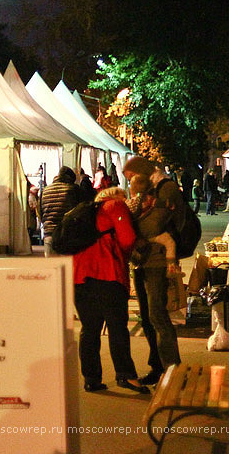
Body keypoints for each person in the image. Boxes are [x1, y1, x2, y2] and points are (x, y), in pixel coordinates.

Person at [73, 187, 148, 394]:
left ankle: (91, 379)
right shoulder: (115, 206)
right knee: (117, 327)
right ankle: (126, 375)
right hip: (107, 274)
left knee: (89, 329)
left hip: (79, 276)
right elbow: (128, 239)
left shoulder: (88, 212)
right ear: (118, 197)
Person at [122, 156, 183, 386]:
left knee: (157, 315)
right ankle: (158, 366)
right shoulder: (148, 195)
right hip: (143, 261)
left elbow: (159, 224)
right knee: (148, 316)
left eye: (132, 178)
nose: (131, 183)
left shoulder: (165, 190)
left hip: (157, 262)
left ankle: (171, 369)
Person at [127, 174, 185, 280]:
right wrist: (169, 204)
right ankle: (171, 268)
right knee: (170, 243)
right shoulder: (148, 199)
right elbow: (160, 204)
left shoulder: (130, 202)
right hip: (150, 233)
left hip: (138, 232)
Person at [40, 166, 81, 256]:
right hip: (66, 234)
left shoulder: (46, 190)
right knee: (67, 268)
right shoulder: (72, 189)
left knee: (50, 267)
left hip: (49, 233)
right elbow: (79, 210)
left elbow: (41, 212)